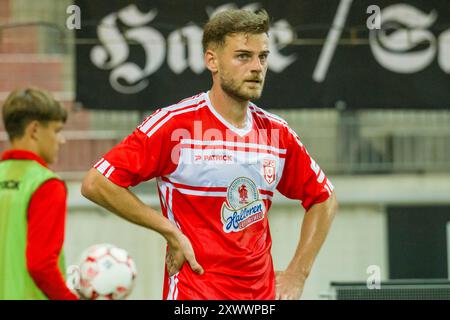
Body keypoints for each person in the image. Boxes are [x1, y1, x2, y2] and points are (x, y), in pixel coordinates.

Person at [81, 9, 337, 300]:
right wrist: (169, 230)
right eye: (243, 56)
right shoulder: (175, 124)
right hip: (195, 297)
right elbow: (97, 183)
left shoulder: (277, 133)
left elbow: (323, 198)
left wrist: (296, 274)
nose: (257, 67)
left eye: (262, 56)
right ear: (211, 60)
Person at [0, 88, 78, 300]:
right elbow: (41, 265)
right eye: (56, 131)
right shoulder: (46, 185)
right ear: (34, 130)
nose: (60, 140)